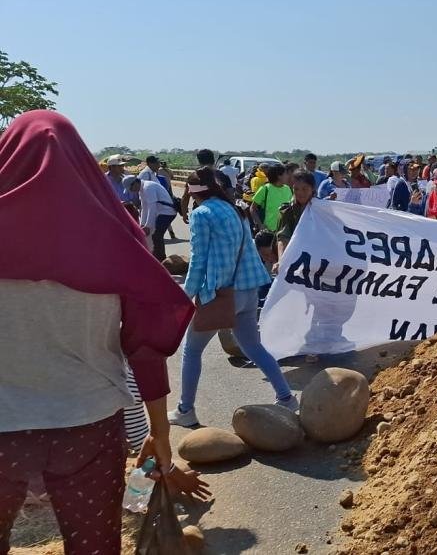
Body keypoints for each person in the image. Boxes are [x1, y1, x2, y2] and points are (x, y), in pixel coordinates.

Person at [0, 111, 209, 553]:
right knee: (94, 544)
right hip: (87, 427)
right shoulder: (115, 235)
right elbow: (145, 349)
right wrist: (160, 433)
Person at [170, 167, 298, 428]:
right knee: (253, 347)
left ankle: (185, 410)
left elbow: (198, 261)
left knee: (192, 350)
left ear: (194, 194)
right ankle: (286, 398)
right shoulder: (235, 208)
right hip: (248, 289)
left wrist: (186, 295)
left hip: (220, 293)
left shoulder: (201, 214)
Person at [125, 175, 178, 261]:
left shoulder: (148, 188)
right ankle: (155, 256)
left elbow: (151, 208)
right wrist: (142, 225)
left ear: (135, 183)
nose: (131, 191)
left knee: (156, 235)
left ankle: (161, 260)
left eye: (130, 189)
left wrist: (147, 226)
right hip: (160, 212)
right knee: (153, 235)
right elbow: (144, 208)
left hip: (167, 212)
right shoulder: (141, 190)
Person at [250, 163, 292, 233]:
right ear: (279, 176)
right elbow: (252, 209)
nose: (288, 176)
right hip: (269, 231)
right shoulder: (265, 189)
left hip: (284, 231)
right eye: (286, 174)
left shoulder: (287, 189)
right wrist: (260, 225)